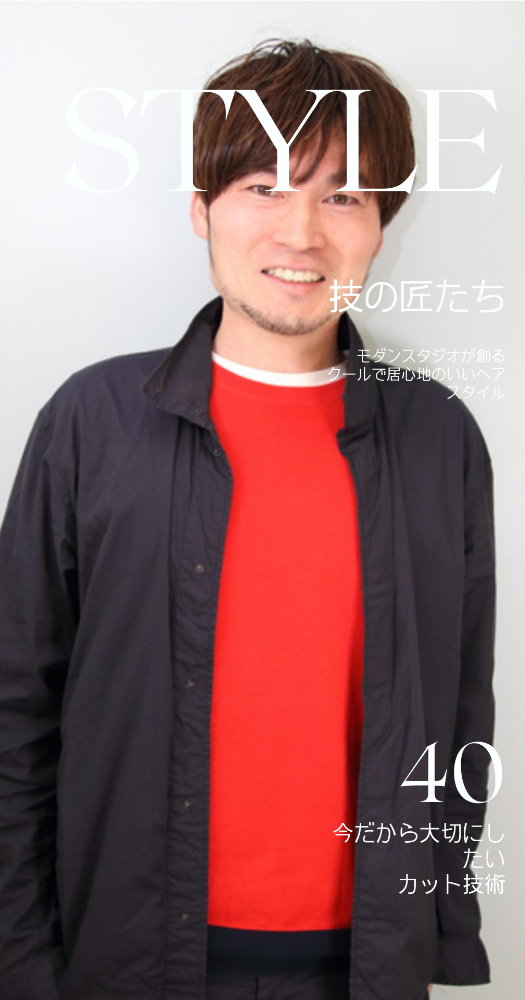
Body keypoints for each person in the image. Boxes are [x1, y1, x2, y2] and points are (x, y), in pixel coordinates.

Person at [0, 39, 495, 1000]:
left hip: (365, 962)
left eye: (344, 197)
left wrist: (437, 931)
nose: (300, 233)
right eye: (264, 187)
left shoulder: (437, 434)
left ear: (382, 225)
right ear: (202, 208)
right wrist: (22, 958)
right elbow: (18, 709)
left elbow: (460, 713)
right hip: (127, 954)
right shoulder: (93, 422)